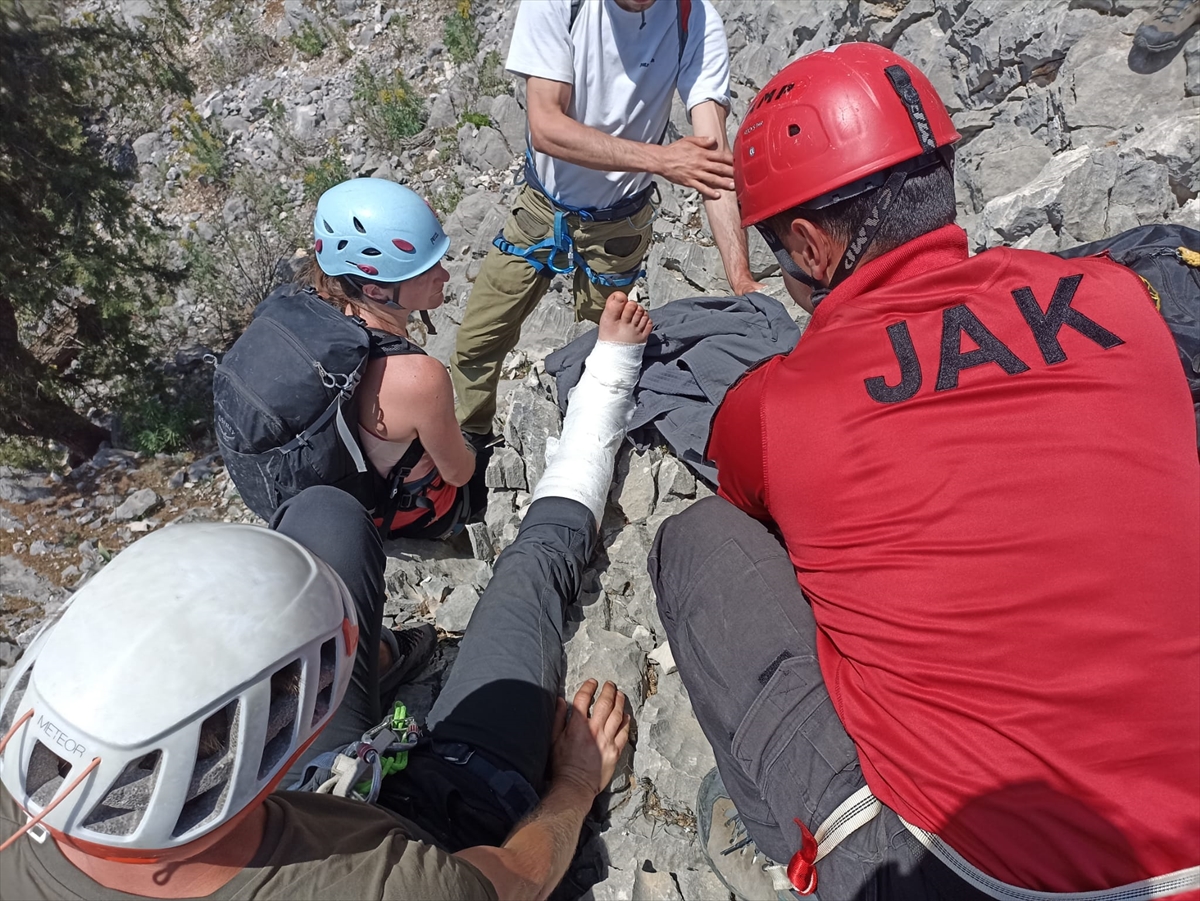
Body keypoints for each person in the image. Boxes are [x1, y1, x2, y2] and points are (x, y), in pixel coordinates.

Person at [648, 42, 1200, 901]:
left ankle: (800, 828)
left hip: (982, 873)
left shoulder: (782, 402)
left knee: (696, 540)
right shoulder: (1117, 296)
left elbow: (743, 496)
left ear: (807, 246)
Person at [0, 294, 655, 900]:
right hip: (441, 817)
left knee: (327, 512)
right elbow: (515, 877)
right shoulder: (373, 880)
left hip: (277, 796)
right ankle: (604, 394)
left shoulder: (30, 794)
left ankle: (383, 661)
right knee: (531, 568)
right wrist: (572, 783)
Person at [451, 0, 763, 454]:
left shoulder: (692, 18)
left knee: (614, 347)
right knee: (478, 339)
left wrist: (741, 278)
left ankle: (602, 437)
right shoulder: (560, 5)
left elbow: (710, 167)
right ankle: (470, 444)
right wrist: (662, 160)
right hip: (543, 209)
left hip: (618, 221)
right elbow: (546, 127)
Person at [302, 177, 479, 538]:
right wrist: (472, 447)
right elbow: (458, 473)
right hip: (414, 514)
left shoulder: (318, 314)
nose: (444, 275)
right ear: (374, 289)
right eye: (424, 271)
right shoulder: (418, 378)